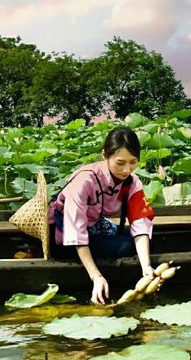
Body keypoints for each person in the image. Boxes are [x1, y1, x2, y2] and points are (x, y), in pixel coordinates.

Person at [48, 126, 156, 304]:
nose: (127, 170)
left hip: (95, 225)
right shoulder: (84, 180)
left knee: (147, 241)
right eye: (120, 163)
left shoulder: (132, 181)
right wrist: (96, 277)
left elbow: (140, 221)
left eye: (133, 162)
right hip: (65, 235)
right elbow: (76, 232)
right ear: (104, 155)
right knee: (126, 247)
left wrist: (146, 268)